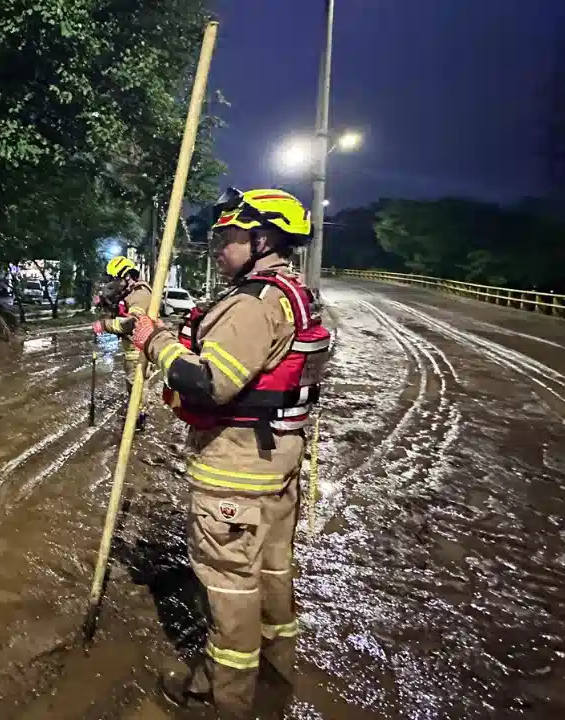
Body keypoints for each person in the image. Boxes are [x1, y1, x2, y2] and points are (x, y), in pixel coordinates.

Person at [128, 188, 331, 719]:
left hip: (236, 478)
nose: (217, 246)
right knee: (270, 586)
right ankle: (272, 687)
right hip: (278, 466)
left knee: (230, 598)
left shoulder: (251, 304)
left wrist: (152, 337)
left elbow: (205, 383)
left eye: (229, 236)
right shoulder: (291, 294)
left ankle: (228, 704)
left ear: (263, 239)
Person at [92, 255, 153, 421]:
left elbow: (131, 323)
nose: (113, 283)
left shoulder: (140, 295)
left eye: (116, 279)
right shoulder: (129, 292)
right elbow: (119, 309)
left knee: (137, 381)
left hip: (139, 347)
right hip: (131, 345)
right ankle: (136, 408)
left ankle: (139, 417)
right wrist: (103, 302)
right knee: (131, 380)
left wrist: (104, 325)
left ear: (127, 277)